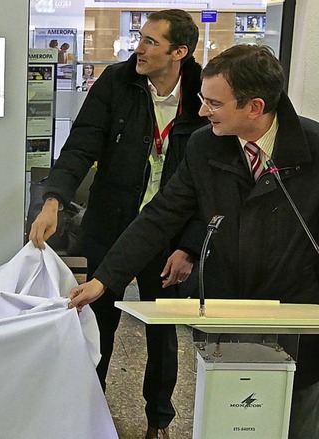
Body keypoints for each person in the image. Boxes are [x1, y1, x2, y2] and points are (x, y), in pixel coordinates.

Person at [69, 44, 319, 439]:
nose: (202, 111)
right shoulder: (205, 145)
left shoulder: (314, 149)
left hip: (297, 318)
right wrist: (106, 278)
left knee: (297, 418)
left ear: (254, 107)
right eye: (204, 99)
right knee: (229, 416)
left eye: (215, 103)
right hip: (223, 308)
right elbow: (160, 214)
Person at [29, 9, 207, 439]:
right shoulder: (117, 82)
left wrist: (188, 245)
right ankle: (90, 412)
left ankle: (158, 422)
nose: (138, 49)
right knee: (97, 321)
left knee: (162, 334)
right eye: (139, 38)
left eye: (150, 42)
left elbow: (210, 182)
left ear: (178, 52)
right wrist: (54, 200)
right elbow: (81, 143)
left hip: (168, 237)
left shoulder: (204, 94)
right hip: (110, 227)